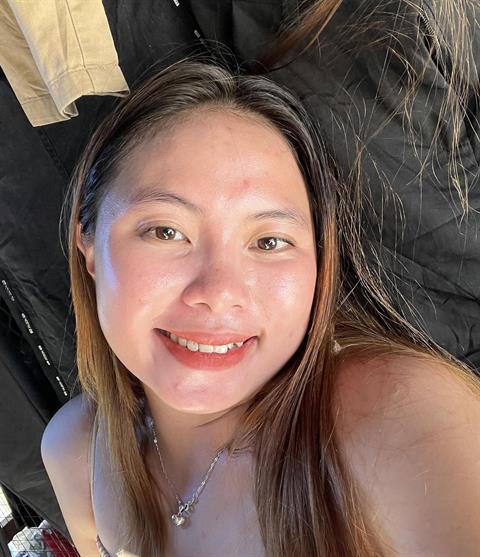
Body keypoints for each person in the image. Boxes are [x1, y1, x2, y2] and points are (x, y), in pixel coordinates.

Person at [39, 57, 480, 557]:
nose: (218, 291)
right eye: (165, 231)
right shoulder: (75, 450)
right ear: (89, 247)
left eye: (270, 241)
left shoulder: (399, 419)